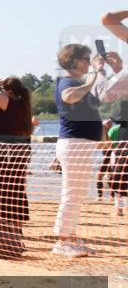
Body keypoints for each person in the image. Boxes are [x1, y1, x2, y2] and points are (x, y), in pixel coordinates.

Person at [52, 43, 128, 257]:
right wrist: (94, 73)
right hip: (75, 145)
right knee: (72, 193)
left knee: (76, 194)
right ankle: (63, 241)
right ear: (74, 61)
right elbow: (69, 96)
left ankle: (69, 238)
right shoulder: (67, 81)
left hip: (82, 145)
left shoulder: (82, 83)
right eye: (86, 59)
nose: (90, 62)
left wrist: (115, 70)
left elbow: (108, 95)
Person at [0, 77, 35, 258]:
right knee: (15, 192)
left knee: (1, 193)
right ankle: (15, 236)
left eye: (3, 90)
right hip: (15, 156)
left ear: (9, 91)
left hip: (1, 158)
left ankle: (6, 237)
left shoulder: (10, 103)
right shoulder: (22, 105)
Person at [107, 120, 128, 217]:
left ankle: (118, 209)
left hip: (116, 155)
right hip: (122, 155)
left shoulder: (114, 129)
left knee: (117, 180)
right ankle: (125, 208)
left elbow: (108, 145)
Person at [98, 117, 115, 202]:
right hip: (107, 156)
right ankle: (101, 196)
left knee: (108, 176)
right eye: (108, 124)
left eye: (110, 124)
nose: (109, 125)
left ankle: (111, 196)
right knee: (106, 176)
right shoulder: (103, 132)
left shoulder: (111, 132)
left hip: (110, 156)